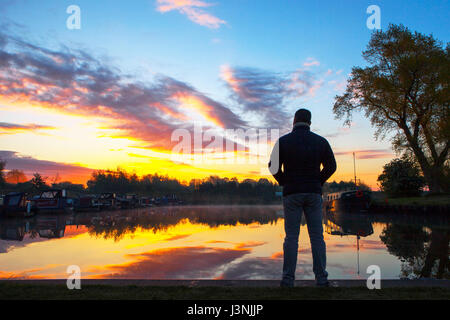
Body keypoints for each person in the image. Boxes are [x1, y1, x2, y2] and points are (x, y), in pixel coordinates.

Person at [268, 108, 336, 287]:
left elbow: (272, 166)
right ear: (310, 122)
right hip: (313, 193)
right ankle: (321, 279)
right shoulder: (321, 141)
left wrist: (286, 182)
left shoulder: (283, 141)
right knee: (317, 237)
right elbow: (332, 166)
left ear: (294, 121)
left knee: (291, 237)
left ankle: (288, 279)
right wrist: (317, 181)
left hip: (292, 193)